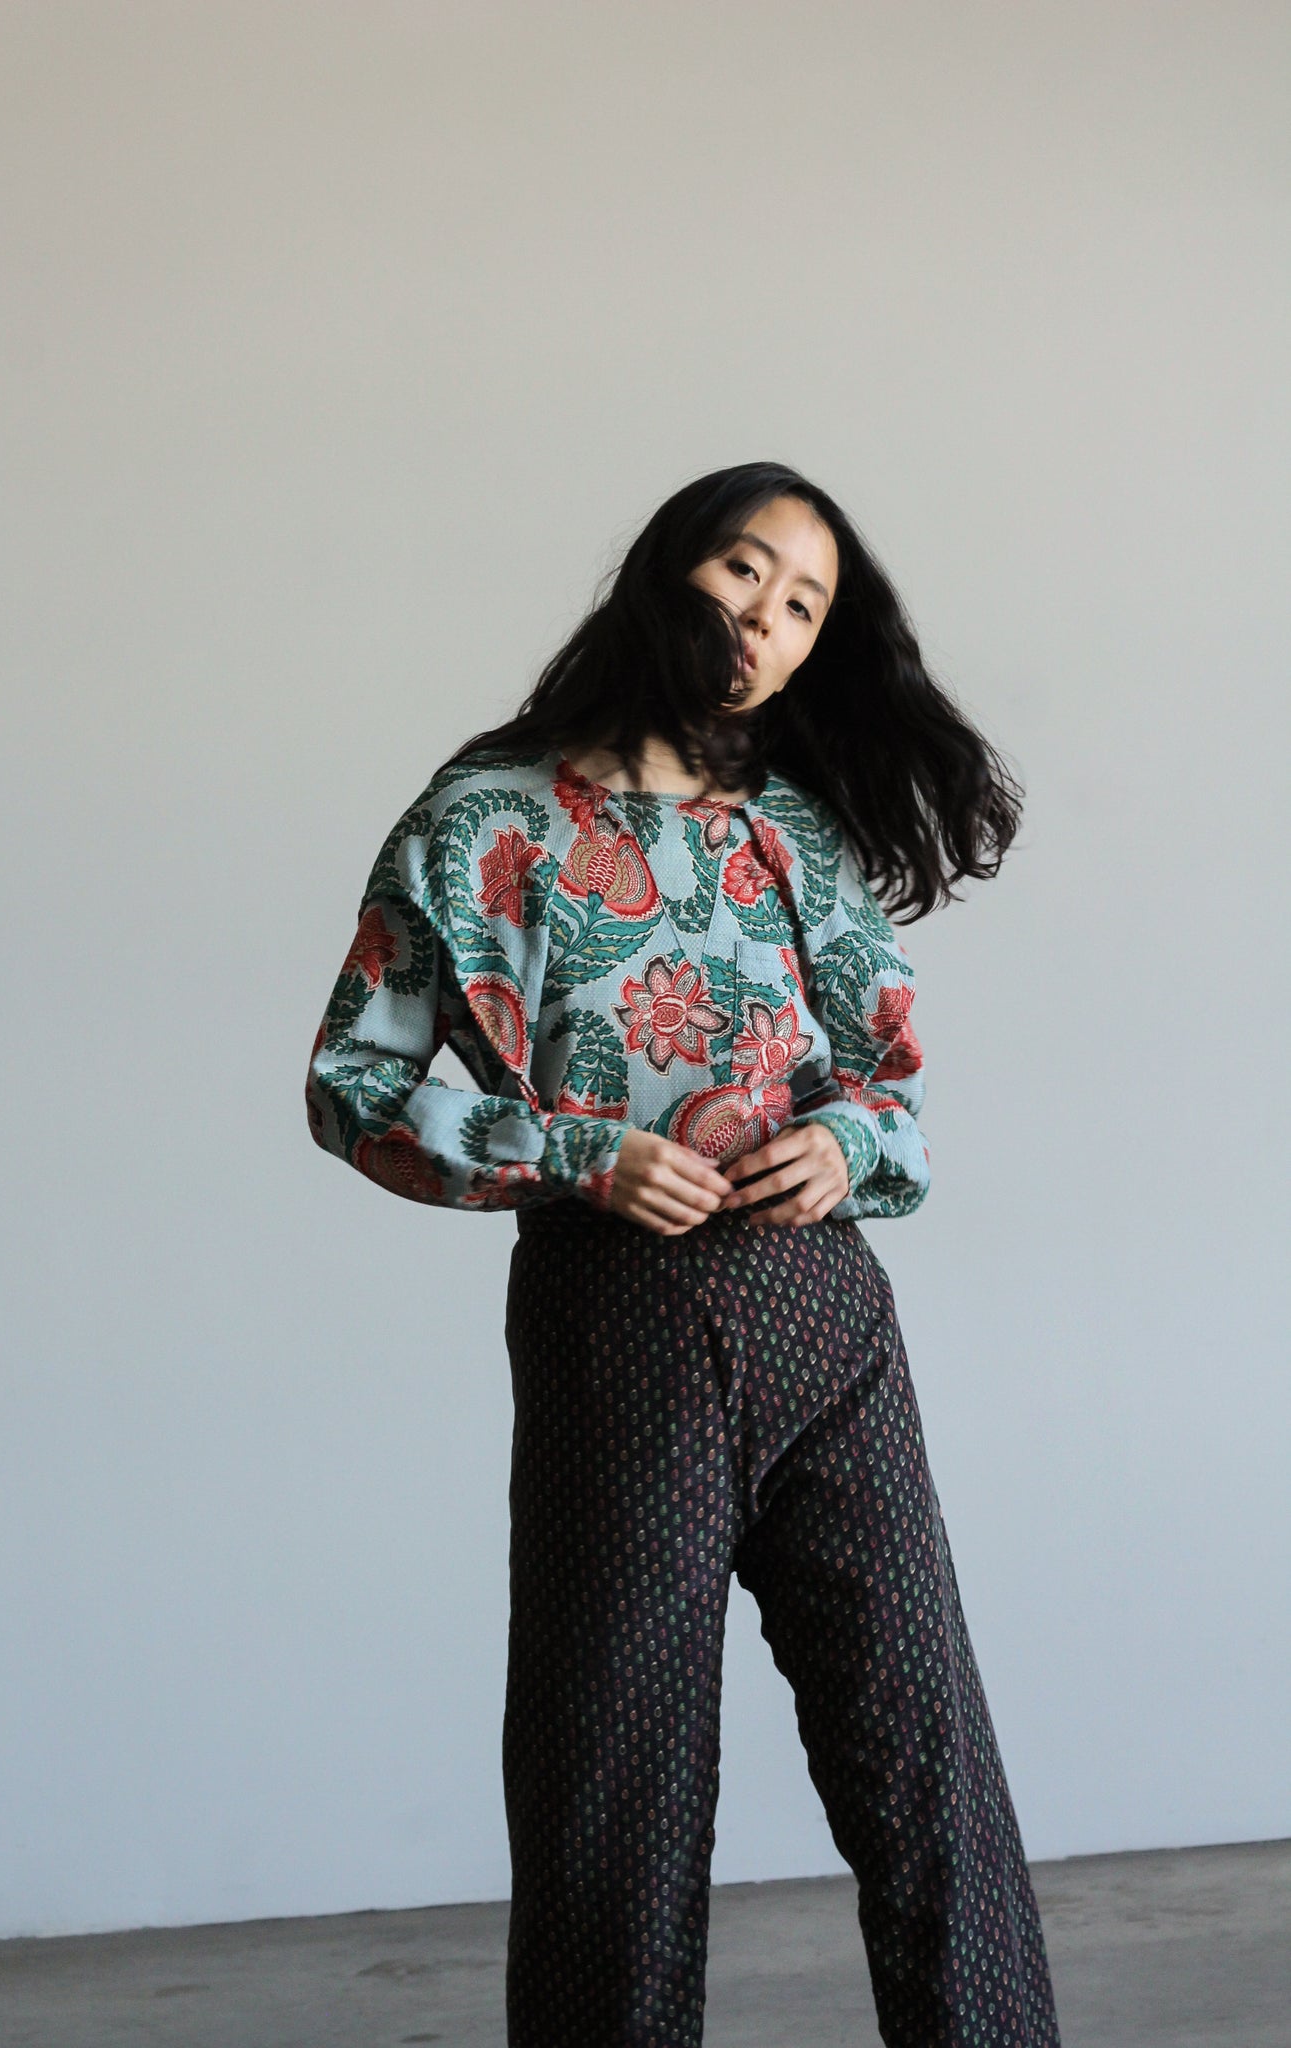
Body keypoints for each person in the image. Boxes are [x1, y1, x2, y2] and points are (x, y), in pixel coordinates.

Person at [305, 461, 1062, 2046]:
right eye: (743, 570)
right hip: (618, 1323)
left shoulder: (792, 830)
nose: (765, 618)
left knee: (924, 1761)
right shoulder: (485, 821)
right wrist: (574, 1155)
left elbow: (894, 1093)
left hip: (826, 1316)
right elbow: (354, 1087)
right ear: (666, 569)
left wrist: (846, 1146)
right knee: (613, 1785)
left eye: (803, 606)